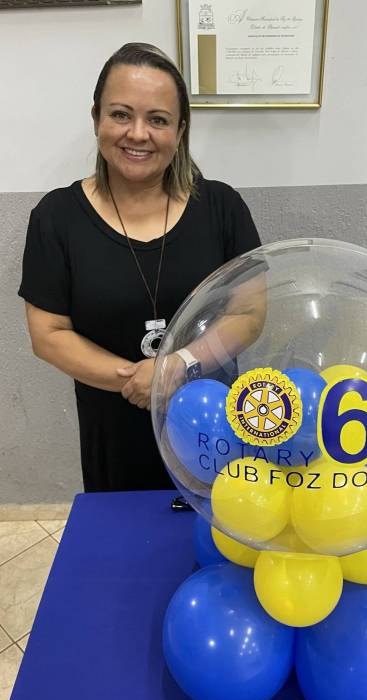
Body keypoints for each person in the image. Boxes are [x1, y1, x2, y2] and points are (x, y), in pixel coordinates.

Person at [19, 42, 264, 493]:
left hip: (213, 430)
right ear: (96, 118)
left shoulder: (223, 208)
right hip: (113, 432)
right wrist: (142, 381)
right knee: (122, 532)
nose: (138, 133)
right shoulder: (56, 218)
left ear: (180, 129)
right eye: (120, 114)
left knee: (216, 528)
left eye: (158, 119)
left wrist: (177, 366)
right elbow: (48, 334)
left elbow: (249, 314)